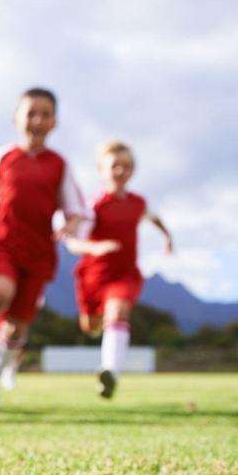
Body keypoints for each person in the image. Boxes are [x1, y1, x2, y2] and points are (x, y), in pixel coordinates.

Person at [0, 87, 89, 410]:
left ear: (54, 122)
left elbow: (76, 209)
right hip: (3, 244)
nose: (37, 120)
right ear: (16, 118)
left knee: (17, 326)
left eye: (45, 114)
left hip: (39, 253)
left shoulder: (59, 165)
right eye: (30, 112)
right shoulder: (3, 156)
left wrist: (69, 226)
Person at [64, 140, 173, 398]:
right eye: (115, 166)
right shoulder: (94, 206)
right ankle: (106, 331)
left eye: (127, 166)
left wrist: (167, 236)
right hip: (94, 276)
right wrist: (96, 247)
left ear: (132, 170)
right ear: (102, 170)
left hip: (124, 273)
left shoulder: (138, 203)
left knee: (118, 311)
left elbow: (153, 217)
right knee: (90, 326)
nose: (121, 172)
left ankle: (110, 371)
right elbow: (72, 243)